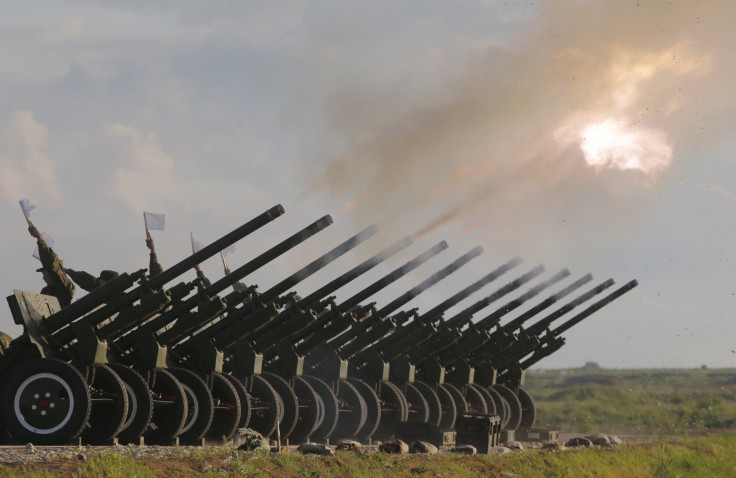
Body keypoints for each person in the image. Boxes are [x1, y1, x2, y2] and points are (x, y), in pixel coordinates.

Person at [29, 225, 75, 307]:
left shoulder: (64, 289)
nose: (44, 278)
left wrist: (40, 239)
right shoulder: (46, 291)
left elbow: (52, 265)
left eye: (45, 274)